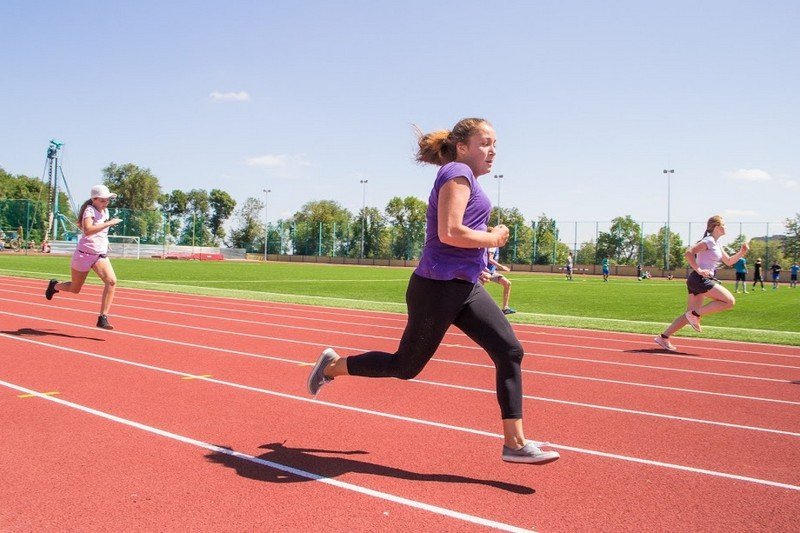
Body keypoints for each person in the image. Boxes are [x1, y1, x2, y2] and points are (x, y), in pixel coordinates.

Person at [306, 118, 559, 465]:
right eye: (484, 143)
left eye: (495, 144)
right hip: (437, 288)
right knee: (406, 366)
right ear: (461, 147)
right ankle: (333, 366)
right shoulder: (456, 172)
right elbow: (450, 232)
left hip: (464, 286)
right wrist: (494, 239)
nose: (492, 151)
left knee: (510, 350)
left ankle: (514, 443)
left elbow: (460, 237)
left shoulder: (467, 178)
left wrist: (479, 262)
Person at [654, 215, 748, 352]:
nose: (726, 227)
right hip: (700, 279)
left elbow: (729, 261)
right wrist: (698, 269)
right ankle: (696, 314)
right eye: (724, 224)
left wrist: (742, 252)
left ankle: (663, 337)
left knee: (688, 315)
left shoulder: (716, 244)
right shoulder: (708, 241)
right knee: (729, 301)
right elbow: (689, 253)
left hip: (697, 280)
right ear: (716, 227)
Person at [45, 184, 122, 329]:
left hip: (99, 255)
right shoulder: (89, 210)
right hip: (83, 255)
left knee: (111, 281)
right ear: (95, 199)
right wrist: (109, 224)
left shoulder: (105, 212)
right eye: (104, 200)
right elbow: (88, 230)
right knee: (75, 288)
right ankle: (54, 285)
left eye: (108, 200)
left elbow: (100, 232)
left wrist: (106, 242)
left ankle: (102, 318)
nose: (107, 203)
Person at [486, 244, 516, 314]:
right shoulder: (492, 246)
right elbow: (490, 259)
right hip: (484, 272)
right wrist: (502, 266)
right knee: (476, 290)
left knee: (507, 283)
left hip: (492, 272)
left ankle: (505, 308)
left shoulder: (496, 247)